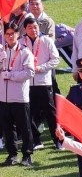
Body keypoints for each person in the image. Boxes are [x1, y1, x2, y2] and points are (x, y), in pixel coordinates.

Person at [22, 15, 60, 151]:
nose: (33, 30)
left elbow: (56, 59)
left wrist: (42, 68)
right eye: (30, 28)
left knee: (50, 112)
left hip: (44, 82)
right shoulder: (21, 42)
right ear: (25, 29)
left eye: (36, 27)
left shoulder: (46, 40)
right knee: (29, 113)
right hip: (26, 83)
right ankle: (36, 139)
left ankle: (58, 139)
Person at [1, 21, 35, 167]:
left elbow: (30, 72)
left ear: (17, 35)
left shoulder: (24, 51)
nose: (9, 36)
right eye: (7, 34)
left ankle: (27, 155)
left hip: (20, 97)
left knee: (24, 127)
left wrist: (12, 75)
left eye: (12, 34)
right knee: (7, 128)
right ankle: (12, 154)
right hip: (3, 96)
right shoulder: (1, 51)